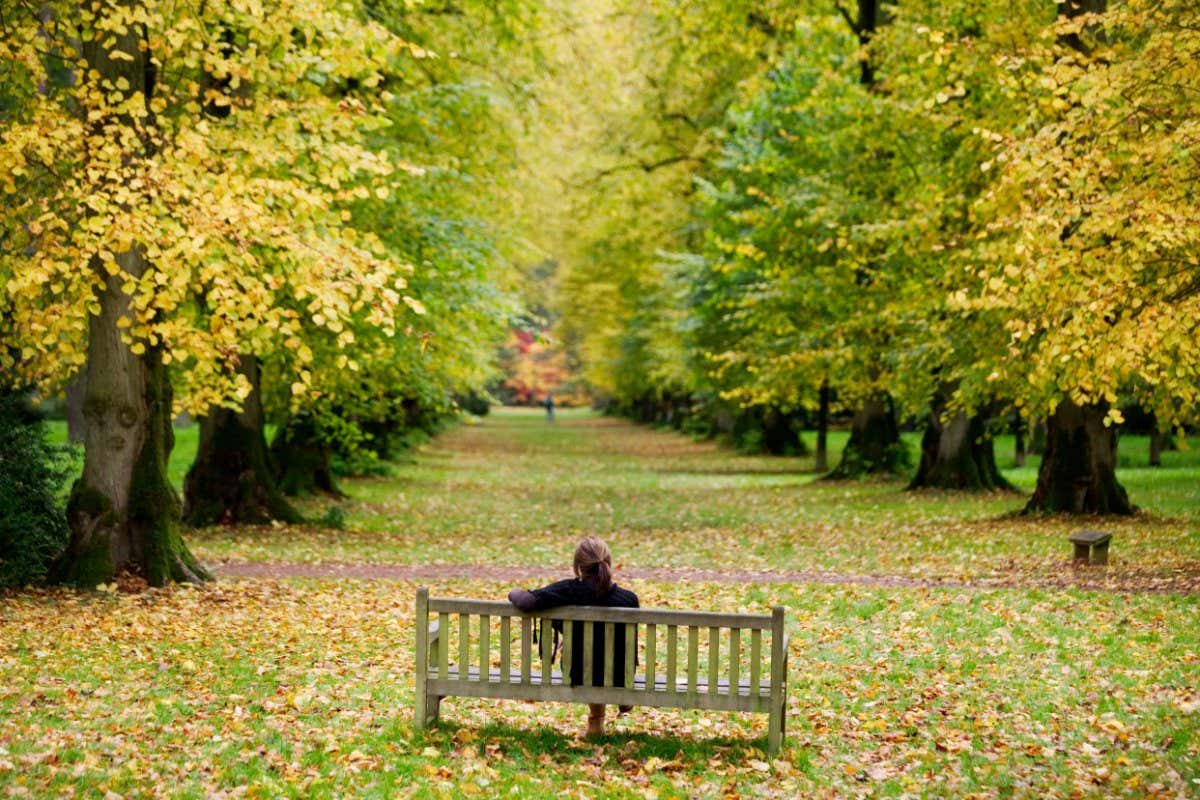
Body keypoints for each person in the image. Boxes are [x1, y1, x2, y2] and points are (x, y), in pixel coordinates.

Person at [508, 536, 638, 737]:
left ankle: (596, 721)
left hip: (576, 670)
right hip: (618, 674)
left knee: (586, 656)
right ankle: (618, 699)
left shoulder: (567, 590)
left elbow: (525, 601)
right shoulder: (629, 599)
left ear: (579, 566)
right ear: (608, 563)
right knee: (609, 652)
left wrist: (514, 590)